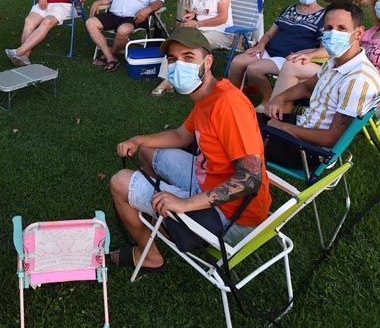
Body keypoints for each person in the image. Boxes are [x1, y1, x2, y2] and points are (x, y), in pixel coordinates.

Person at [108, 28, 272, 272]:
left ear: (208, 61)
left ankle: (151, 255)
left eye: (188, 57)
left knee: (119, 182)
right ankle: (160, 217)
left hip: (232, 218)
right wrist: (139, 140)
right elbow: (181, 135)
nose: (178, 65)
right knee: (147, 151)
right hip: (209, 182)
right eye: (173, 60)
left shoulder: (229, 104)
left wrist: (185, 204)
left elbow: (250, 179)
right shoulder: (208, 95)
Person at [261, 1, 380, 168]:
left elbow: (332, 138)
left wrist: (282, 127)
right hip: (301, 126)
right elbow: (306, 87)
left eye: (341, 28)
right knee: (238, 120)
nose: (333, 34)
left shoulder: (358, 79)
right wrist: (280, 97)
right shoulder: (335, 61)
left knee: (234, 138)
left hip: (308, 151)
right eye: (328, 28)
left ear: (358, 33)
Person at [229, 0, 327, 110]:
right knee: (237, 62)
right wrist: (261, 44)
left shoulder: (323, 16)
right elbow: (269, 34)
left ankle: (268, 100)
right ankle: (232, 99)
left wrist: (308, 55)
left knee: (254, 69)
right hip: (269, 51)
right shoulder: (289, 10)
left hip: (288, 58)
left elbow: (324, 49)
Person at [151, 0, 232, 96]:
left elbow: (222, 18)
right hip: (199, 29)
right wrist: (192, 15)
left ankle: (175, 80)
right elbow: (197, 9)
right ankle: (169, 78)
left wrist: (198, 23)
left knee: (189, 45)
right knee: (175, 43)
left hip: (221, 32)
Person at [85, 0, 164, 72]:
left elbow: (158, 2)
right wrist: (98, 2)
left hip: (135, 17)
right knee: (90, 22)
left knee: (123, 30)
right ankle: (110, 57)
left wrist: (148, 10)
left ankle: (109, 54)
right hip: (113, 15)